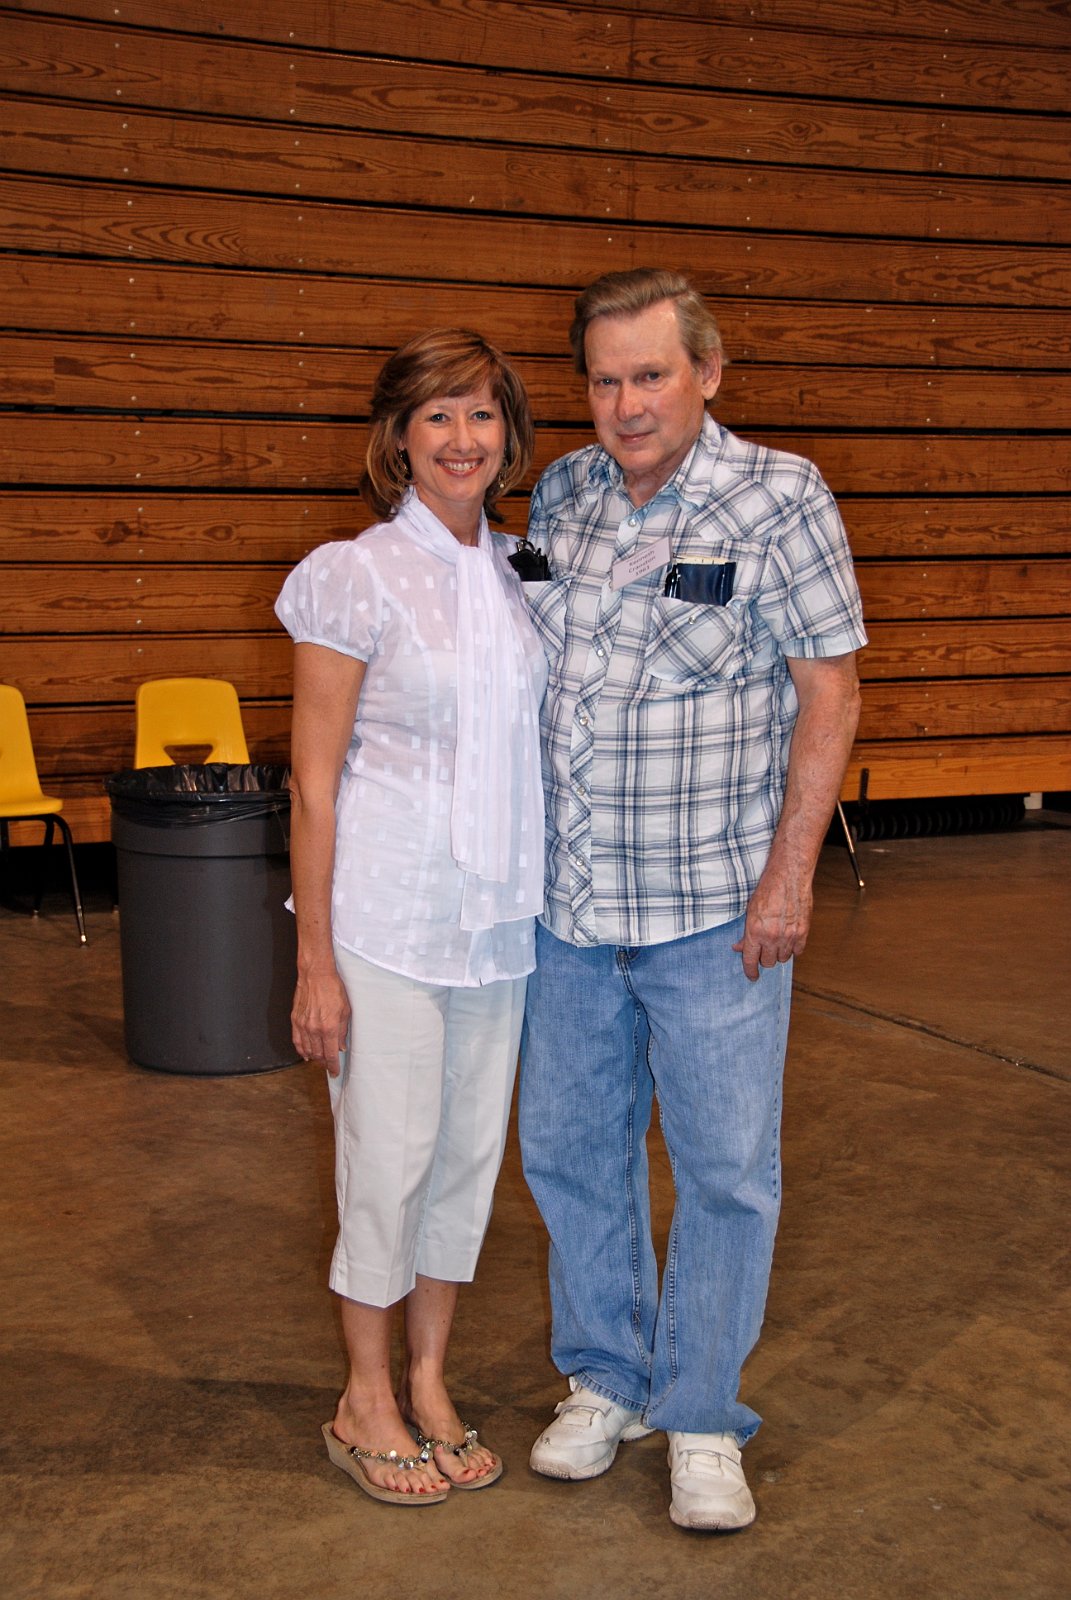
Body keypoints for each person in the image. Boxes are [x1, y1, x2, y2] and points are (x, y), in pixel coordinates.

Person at [518, 269, 866, 1530]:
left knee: (725, 1170)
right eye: (604, 380)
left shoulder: (781, 497)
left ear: (708, 372)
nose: (626, 404)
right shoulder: (559, 495)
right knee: (570, 1153)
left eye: (651, 375)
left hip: (715, 907)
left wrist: (791, 876)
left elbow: (829, 693)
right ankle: (606, 1377)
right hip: (567, 911)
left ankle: (704, 1411)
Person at [275, 329, 546, 1506]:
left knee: (465, 1166)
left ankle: (430, 1379)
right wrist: (315, 961)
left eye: (481, 414)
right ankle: (363, 1397)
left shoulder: (527, 570)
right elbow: (315, 781)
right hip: (384, 923)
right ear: (397, 437)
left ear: (508, 435)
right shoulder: (353, 573)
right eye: (437, 416)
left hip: (500, 925)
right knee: (384, 1162)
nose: (461, 439)